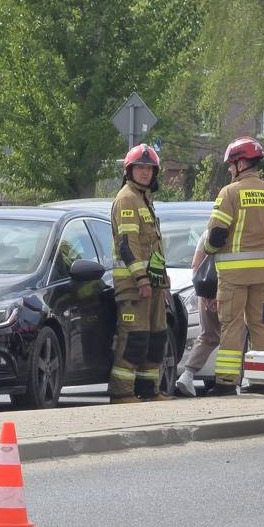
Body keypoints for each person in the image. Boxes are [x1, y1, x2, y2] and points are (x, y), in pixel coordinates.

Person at [201, 136, 264, 395]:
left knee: (232, 325)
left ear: (241, 163)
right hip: (263, 273)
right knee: (259, 325)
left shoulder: (230, 192)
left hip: (233, 275)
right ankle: (262, 380)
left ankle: (226, 381)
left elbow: (216, 235)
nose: (230, 169)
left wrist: (208, 251)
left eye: (231, 164)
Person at [108, 144, 173, 404]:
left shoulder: (144, 199)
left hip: (153, 284)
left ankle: (149, 390)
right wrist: (142, 279)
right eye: (140, 168)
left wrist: (162, 280)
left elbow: (153, 246)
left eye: (149, 168)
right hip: (134, 285)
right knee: (133, 337)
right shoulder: (127, 199)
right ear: (129, 170)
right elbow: (127, 244)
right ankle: (122, 392)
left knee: (155, 337)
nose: (145, 172)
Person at [174, 229, 220, 397]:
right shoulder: (241, 232)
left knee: (208, 335)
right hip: (230, 291)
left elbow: (196, 265)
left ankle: (187, 375)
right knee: (235, 335)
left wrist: (204, 294)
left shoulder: (207, 234)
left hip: (206, 292)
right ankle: (228, 381)